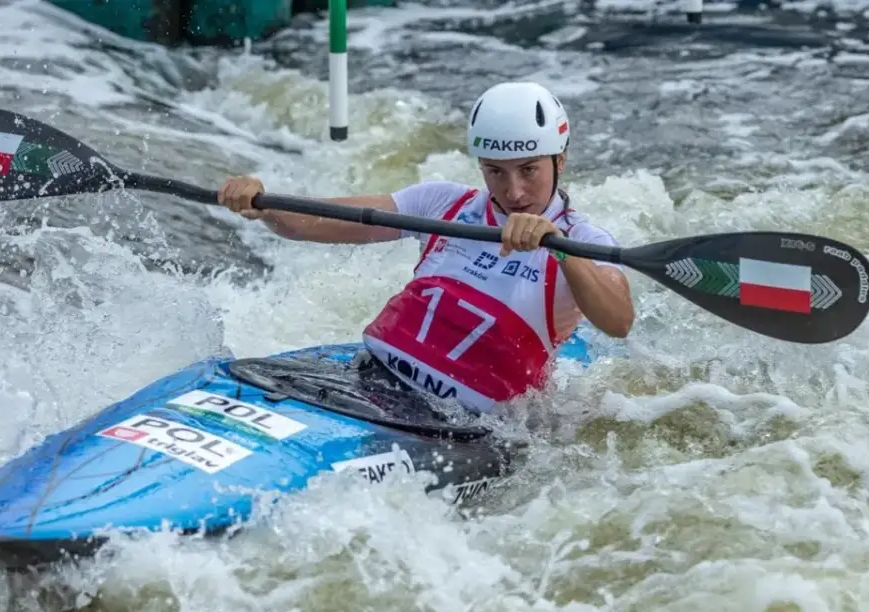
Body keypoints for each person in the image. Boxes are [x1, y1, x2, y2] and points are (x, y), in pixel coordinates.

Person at [217, 80, 635, 414]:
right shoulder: (443, 204)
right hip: (372, 379)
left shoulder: (585, 241)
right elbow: (310, 222)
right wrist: (262, 203)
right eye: (495, 172)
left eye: (529, 170)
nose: (514, 191)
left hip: (469, 422)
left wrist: (559, 248)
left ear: (559, 160)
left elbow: (619, 321)